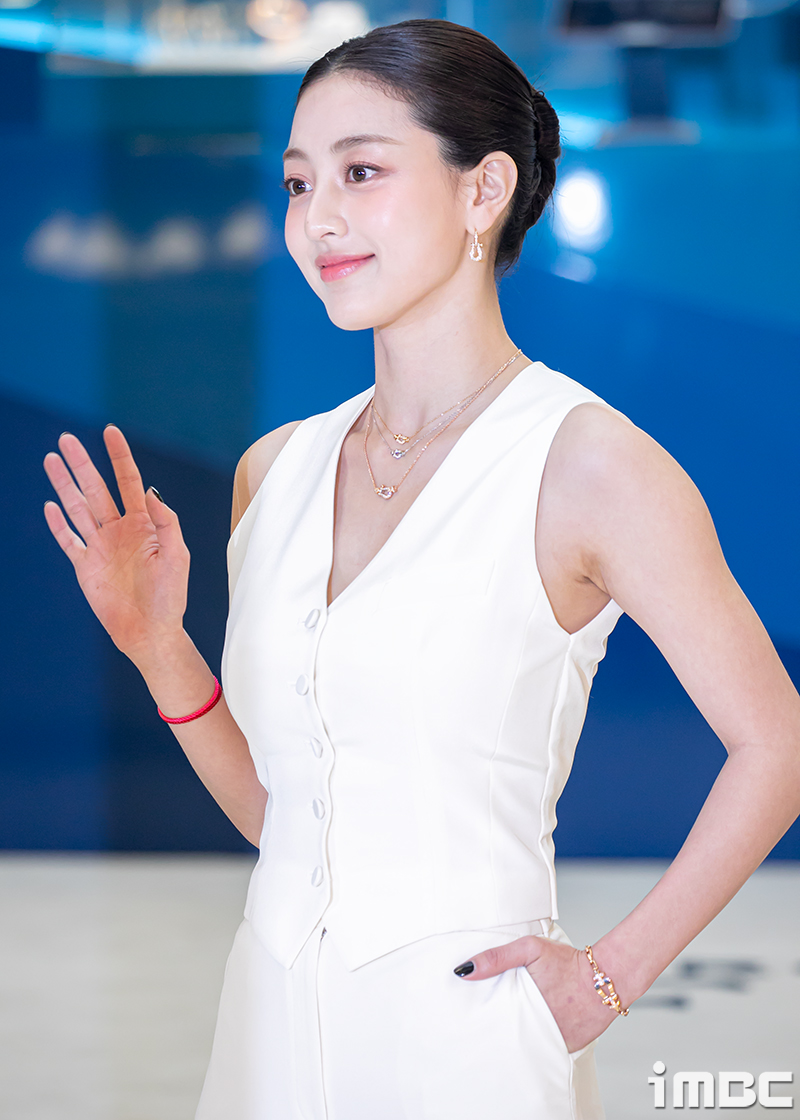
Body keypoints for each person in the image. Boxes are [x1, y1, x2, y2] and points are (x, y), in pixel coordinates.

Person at [43, 18, 800, 1120]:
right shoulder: (275, 470)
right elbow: (282, 818)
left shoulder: (588, 465)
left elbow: (777, 743)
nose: (318, 218)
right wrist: (159, 646)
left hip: (469, 1046)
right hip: (265, 1035)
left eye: (361, 172)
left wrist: (606, 978)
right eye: (298, 182)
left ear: (482, 189)